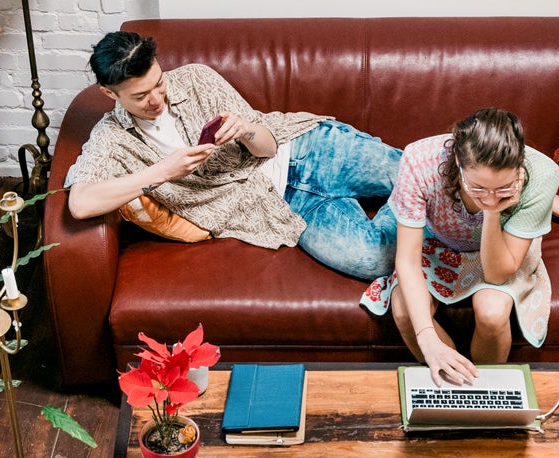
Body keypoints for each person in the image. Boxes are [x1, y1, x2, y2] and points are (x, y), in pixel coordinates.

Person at [65, 31, 401, 279]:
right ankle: (414, 216)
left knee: (413, 175)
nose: (156, 99)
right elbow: (80, 203)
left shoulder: (197, 79)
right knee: (374, 260)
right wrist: (164, 172)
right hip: (285, 207)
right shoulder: (111, 139)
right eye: (141, 96)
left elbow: (267, 147)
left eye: (159, 83)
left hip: (306, 149)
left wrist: (245, 129)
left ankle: (413, 209)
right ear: (109, 93)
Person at [360, 108, 559, 387]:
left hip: (500, 249)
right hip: (438, 243)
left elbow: (497, 275)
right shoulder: (418, 160)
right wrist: (427, 339)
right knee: (404, 311)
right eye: (478, 188)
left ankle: (484, 390)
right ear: (458, 162)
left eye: (502, 189)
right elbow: (407, 261)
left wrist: (491, 212)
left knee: (492, 311)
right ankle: (455, 386)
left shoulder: (544, 175)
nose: (489, 197)